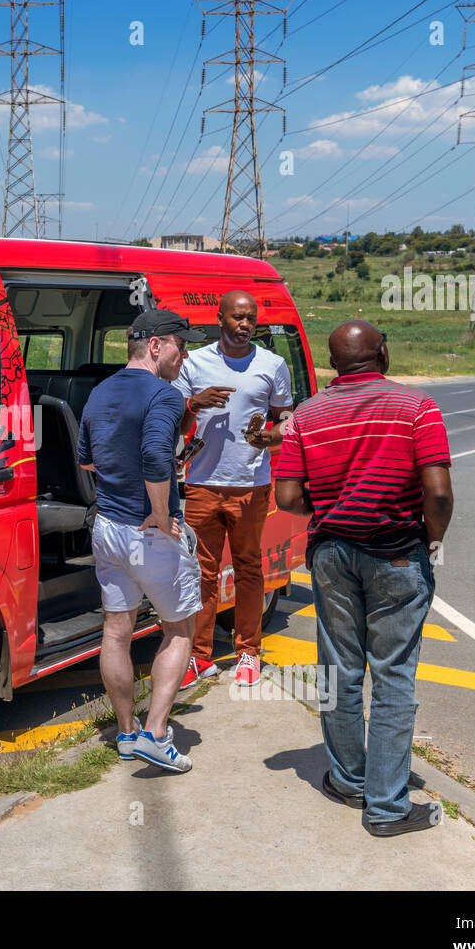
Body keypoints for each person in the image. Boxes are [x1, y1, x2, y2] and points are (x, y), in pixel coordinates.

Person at [274, 320, 454, 837]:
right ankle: (386, 807)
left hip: (331, 553)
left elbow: (287, 498)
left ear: (334, 362)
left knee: (340, 670)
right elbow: (438, 494)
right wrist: (431, 538)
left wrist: (334, 507)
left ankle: (351, 780)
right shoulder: (416, 408)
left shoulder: (306, 416)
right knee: (394, 675)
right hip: (397, 554)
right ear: (383, 353)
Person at [79, 308, 206, 772]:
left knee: (117, 631)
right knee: (179, 628)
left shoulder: (99, 391)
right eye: (181, 345)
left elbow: (88, 461)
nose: (184, 355)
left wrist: (125, 485)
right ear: (156, 346)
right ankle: (155, 735)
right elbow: (156, 456)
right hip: (148, 532)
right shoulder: (165, 395)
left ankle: (127, 733)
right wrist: (158, 512)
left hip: (107, 527)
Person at [175, 290, 293, 689]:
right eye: (237, 317)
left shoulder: (272, 365)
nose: (245, 325)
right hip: (202, 484)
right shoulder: (196, 362)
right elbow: (172, 421)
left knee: (247, 568)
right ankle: (199, 657)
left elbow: (286, 423)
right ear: (220, 318)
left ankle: (249, 652)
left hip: (251, 485)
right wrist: (194, 404)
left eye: (250, 319)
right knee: (201, 573)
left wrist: (269, 438)